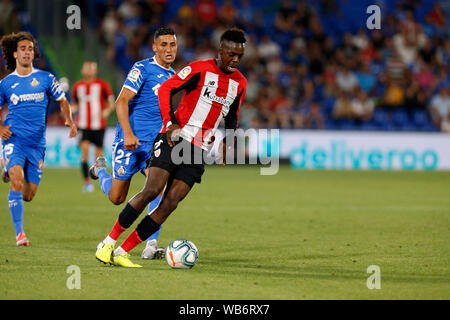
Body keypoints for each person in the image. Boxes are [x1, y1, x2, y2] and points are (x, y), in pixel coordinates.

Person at [95, 27, 247, 268]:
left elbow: (232, 116)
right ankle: (107, 241)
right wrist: (166, 124)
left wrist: (228, 142)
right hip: (159, 139)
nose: (236, 59)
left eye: (240, 55)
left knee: (170, 200)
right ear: (221, 51)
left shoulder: (238, 83)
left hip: (195, 150)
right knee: (133, 193)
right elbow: (127, 99)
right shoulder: (190, 69)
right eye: (231, 54)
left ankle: (128, 249)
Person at [91, 27, 177, 261]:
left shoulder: (173, 76)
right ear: (154, 47)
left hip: (154, 144)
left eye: (172, 45)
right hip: (129, 141)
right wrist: (128, 134)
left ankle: (151, 244)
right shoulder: (142, 68)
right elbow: (121, 102)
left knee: (158, 187)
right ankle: (99, 170)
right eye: (164, 45)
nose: (169, 49)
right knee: (117, 197)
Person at [0, 31, 77, 246]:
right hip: (14, 139)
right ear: (15, 54)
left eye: (30, 49)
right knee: (16, 180)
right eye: (22, 49)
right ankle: (20, 234)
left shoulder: (45, 78)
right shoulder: (6, 84)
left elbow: (62, 101)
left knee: (28, 195)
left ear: (34, 54)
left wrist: (70, 120)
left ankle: (8, 169)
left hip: (37, 144)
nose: (26, 52)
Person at [71, 61, 114, 192]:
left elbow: (111, 103)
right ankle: (87, 182)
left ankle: (101, 179)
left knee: (99, 156)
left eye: (92, 68)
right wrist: (70, 110)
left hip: (99, 125)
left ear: (95, 70)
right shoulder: (77, 87)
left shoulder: (103, 85)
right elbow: (76, 104)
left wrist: (106, 111)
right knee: (84, 153)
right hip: (83, 125)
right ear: (82, 70)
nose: (89, 70)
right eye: (87, 67)